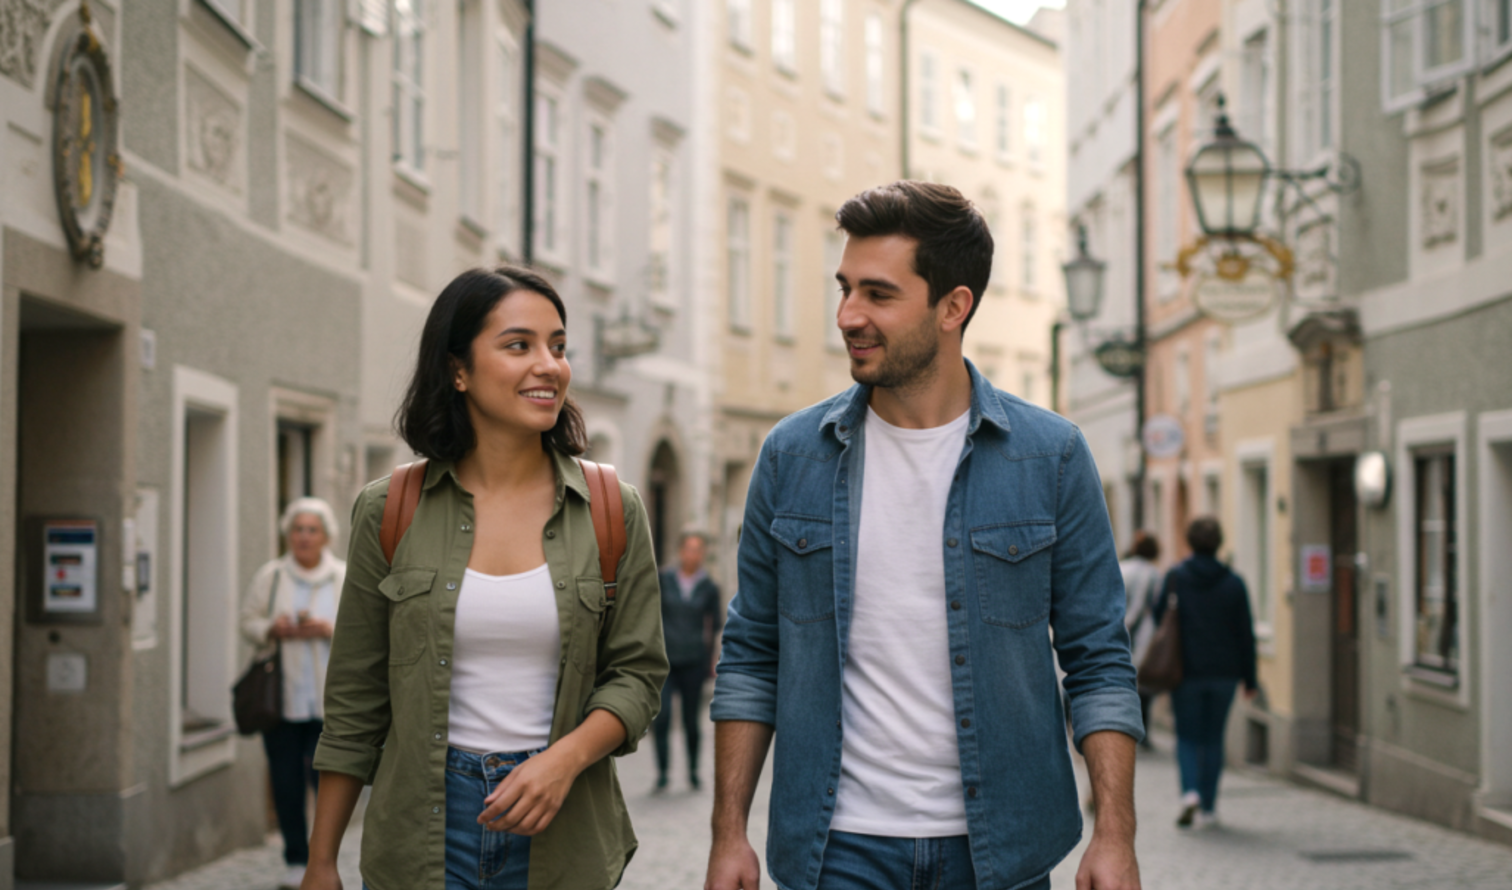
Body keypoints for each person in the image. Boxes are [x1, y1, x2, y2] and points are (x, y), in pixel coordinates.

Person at [705, 181, 1144, 890]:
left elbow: (1099, 659)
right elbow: (753, 655)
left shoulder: (1052, 456)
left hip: (1002, 849)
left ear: (953, 306)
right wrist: (729, 834)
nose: (848, 315)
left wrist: (1115, 835)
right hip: (836, 849)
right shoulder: (792, 457)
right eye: (845, 289)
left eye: (878, 294)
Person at [302, 266, 668, 890]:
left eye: (558, 346)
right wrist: (320, 860)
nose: (549, 365)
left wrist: (563, 761)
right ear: (458, 369)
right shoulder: (390, 509)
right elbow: (354, 701)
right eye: (519, 345)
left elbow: (637, 675)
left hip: (564, 829)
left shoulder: (610, 507)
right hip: (421, 834)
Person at [240, 497, 346, 890]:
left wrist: (327, 628)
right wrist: (272, 628)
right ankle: (295, 860)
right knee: (284, 783)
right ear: (288, 535)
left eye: (311, 529)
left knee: (327, 786)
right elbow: (247, 622)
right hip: (281, 703)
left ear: (325, 536)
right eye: (298, 529)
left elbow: (363, 628)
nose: (304, 537)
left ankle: (324, 859)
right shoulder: (271, 576)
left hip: (326, 704)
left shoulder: (341, 576)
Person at [1151, 516, 1257, 829]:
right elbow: (1245, 634)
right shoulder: (1234, 583)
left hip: (1186, 672)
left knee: (1186, 736)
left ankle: (1190, 794)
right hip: (1225, 674)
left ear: (1190, 542)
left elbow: (1159, 617)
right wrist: (1249, 679)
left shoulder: (1176, 578)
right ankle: (1209, 806)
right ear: (1219, 543)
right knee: (1213, 738)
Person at [652, 530, 723, 792]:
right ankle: (662, 774)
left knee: (691, 721)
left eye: (698, 549)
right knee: (663, 717)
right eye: (688, 548)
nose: (693, 554)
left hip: (694, 660)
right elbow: (652, 615)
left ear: (703, 554)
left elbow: (714, 624)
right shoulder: (664, 580)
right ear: (680, 551)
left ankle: (693, 772)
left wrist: (712, 658)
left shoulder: (709, 587)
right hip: (665, 661)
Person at [1119, 531, 1163, 751]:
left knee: (1124, 681)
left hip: (1119, 630)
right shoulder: (1154, 573)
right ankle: (1142, 730)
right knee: (1143, 686)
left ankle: (1124, 727)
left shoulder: (1122, 568)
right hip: (1146, 633)